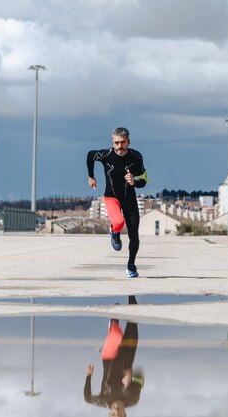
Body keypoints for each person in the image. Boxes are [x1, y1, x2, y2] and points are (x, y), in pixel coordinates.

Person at [87, 127, 148, 278]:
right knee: (119, 222)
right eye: (116, 143)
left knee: (134, 235)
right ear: (112, 142)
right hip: (111, 197)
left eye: (123, 142)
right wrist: (91, 176)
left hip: (129, 199)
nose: (119, 146)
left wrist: (134, 182)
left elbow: (144, 180)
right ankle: (114, 232)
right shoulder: (106, 155)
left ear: (128, 142)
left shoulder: (136, 157)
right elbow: (89, 155)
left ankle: (131, 265)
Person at [84, 296, 144, 417]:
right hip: (127, 356)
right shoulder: (132, 399)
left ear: (109, 414)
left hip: (109, 357)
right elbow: (140, 377)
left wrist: (89, 376)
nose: (116, 412)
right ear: (125, 414)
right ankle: (131, 292)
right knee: (133, 320)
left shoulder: (103, 400)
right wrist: (130, 377)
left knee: (116, 334)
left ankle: (114, 322)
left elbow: (88, 398)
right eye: (120, 415)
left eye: (113, 415)